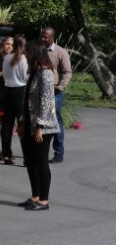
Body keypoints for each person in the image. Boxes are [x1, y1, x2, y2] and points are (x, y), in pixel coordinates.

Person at [17, 39, 60, 211]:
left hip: (44, 126)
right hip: (29, 123)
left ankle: (44, 200)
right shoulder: (34, 73)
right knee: (31, 161)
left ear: (35, 54)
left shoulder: (46, 74)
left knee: (41, 161)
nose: (25, 56)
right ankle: (35, 196)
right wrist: (21, 122)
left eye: (27, 53)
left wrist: (40, 127)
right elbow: (26, 101)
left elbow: (46, 102)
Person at [40, 27, 72, 163]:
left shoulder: (60, 52)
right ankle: (40, 152)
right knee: (40, 121)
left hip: (54, 93)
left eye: (45, 37)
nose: (42, 39)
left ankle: (58, 152)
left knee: (55, 121)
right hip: (39, 91)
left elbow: (67, 72)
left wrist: (60, 86)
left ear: (52, 37)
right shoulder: (38, 50)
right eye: (41, 36)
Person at [1, 36, 28, 165]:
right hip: (20, 90)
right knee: (22, 123)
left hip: (7, 90)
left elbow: (5, 75)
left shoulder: (6, 58)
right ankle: (27, 157)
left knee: (7, 124)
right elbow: (25, 77)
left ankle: (6, 154)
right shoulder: (23, 59)